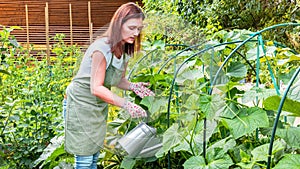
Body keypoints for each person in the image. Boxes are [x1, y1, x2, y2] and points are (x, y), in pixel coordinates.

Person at [64, 2, 154, 168]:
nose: (136, 33)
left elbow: (118, 80)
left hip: (97, 107)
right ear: (119, 24)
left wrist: (134, 86)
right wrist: (126, 104)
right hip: (80, 104)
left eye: (139, 29)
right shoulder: (102, 48)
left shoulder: (125, 49)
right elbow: (96, 87)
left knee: (94, 157)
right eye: (132, 27)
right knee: (84, 159)